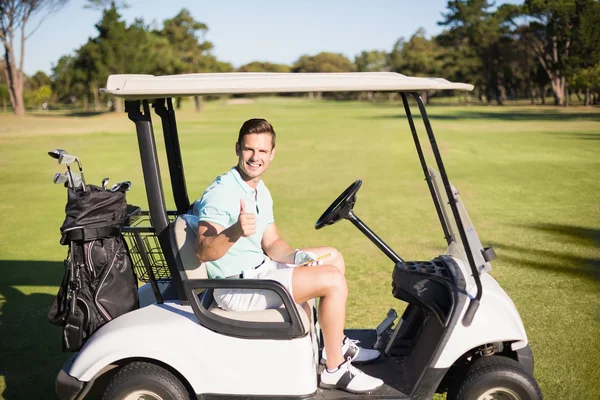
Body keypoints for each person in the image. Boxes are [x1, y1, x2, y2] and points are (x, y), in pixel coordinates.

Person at [192, 118, 384, 394]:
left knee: (333, 257)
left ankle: (335, 343)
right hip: (238, 287)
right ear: (237, 149)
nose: (255, 157)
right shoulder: (222, 192)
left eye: (261, 151)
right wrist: (235, 231)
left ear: (272, 154)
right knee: (332, 280)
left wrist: (296, 256)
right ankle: (334, 369)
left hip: (260, 271)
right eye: (249, 150)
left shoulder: (259, 189)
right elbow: (203, 250)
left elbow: (272, 243)